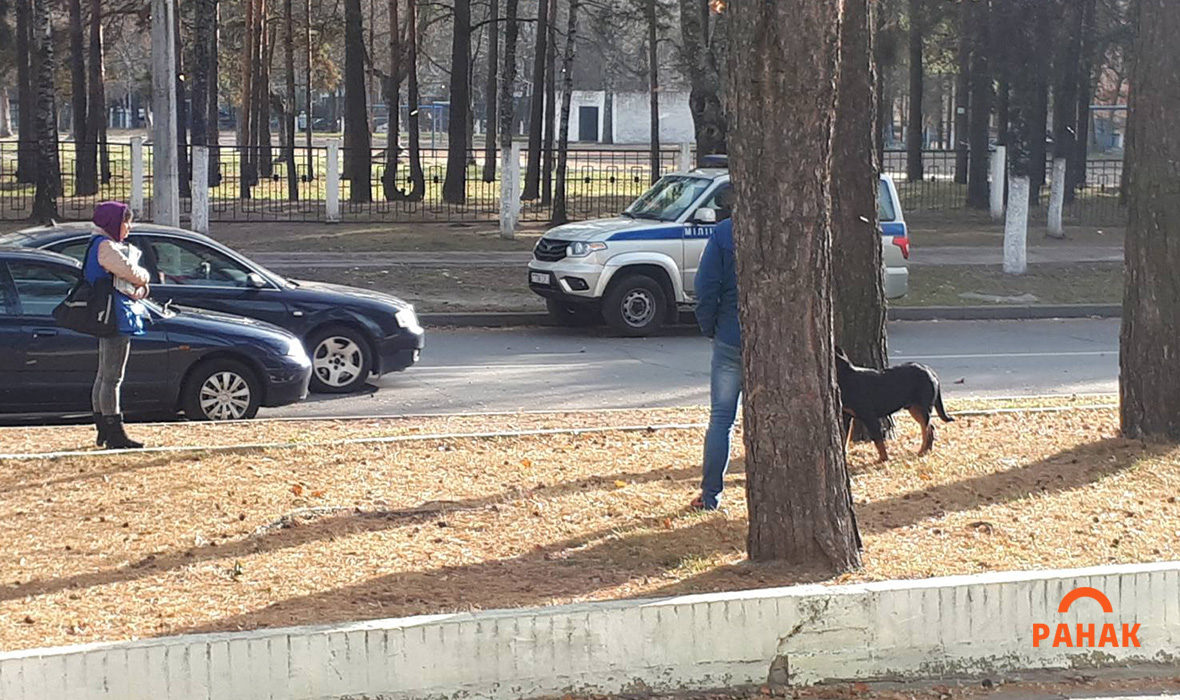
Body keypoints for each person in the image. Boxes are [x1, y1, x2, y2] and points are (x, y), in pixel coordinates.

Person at [86, 202, 151, 449]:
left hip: (107, 313)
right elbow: (134, 273)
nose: (129, 227)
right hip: (114, 316)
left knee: (104, 374)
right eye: (126, 222)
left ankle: (103, 427)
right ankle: (114, 431)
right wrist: (144, 278)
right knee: (113, 376)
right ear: (114, 223)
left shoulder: (97, 245)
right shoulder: (106, 247)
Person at [691, 189, 740, 511]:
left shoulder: (724, 234)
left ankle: (710, 495)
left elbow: (705, 287)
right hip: (776, 343)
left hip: (731, 336)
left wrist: (710, 326)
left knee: (721, 419)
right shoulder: (787, 230)